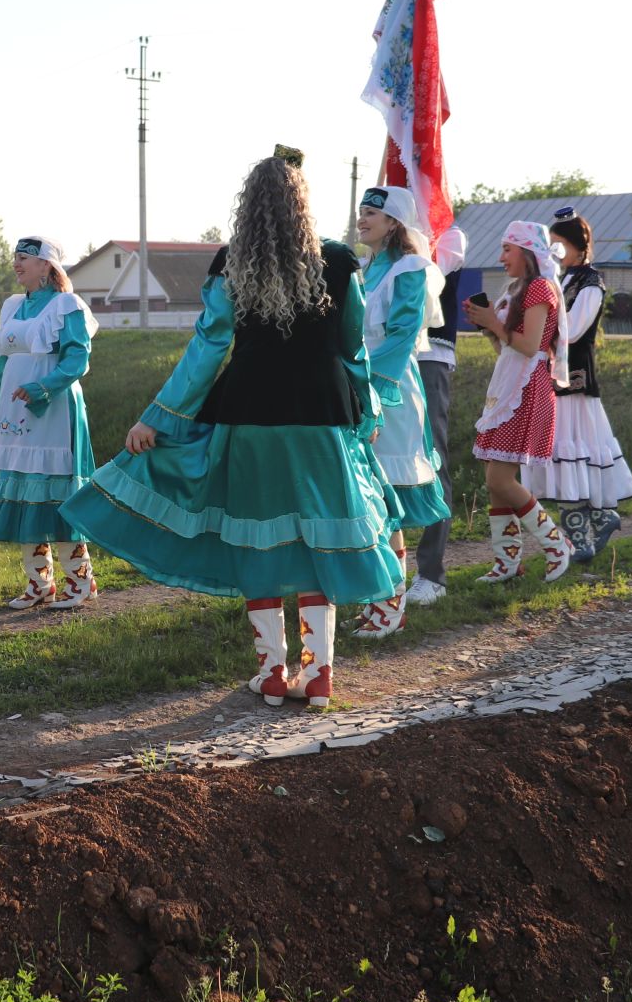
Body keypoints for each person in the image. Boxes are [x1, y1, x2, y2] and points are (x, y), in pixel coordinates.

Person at [61, 152, 402, 708]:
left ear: (250, 208)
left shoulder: (232, 263)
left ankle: (271, 674)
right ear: (303, 205)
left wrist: (157, 417)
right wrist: (368, 413)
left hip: (248, 418)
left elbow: (209, 347)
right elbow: (352, 348)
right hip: (321, 418)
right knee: (322, 543)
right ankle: (317, 677)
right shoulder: (338, 264)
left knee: (258, 541)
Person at [0, 237, 101, 609]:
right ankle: (40, 583)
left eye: (25, 258)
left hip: (55, 411)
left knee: (55, 493)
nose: (17, 264)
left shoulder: (67, 305)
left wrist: (41, 387)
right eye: (15, 258)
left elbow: (76, 360)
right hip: (15, 412)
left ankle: (81, 581)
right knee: (24, 495)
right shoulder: (13, 308)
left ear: (47, 266)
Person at [348, 185, 449, 638]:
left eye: (371, 213)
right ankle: (380, 601)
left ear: (394, 223)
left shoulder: (411, 268)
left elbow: (404, 333)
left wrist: (372, 392)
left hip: (388, 391)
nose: (362, 218)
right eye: (361, 212)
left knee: (386, 497)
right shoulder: (363, 270)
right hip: (356, 386)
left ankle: (392, 607)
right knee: (369, 497)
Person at [523, 209, 632, 561]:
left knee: (573, 452)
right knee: (563, 456)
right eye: (551, 246)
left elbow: (570, 330)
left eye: (559, 245)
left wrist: (537, 321)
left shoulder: (590, 282)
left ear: (577, 247)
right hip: (553, 377)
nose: (554, 252)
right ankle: (594, 525)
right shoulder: (560, 280)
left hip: (574, 379)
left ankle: (584, 536)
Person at [464, 221, 573, 583]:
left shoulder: (541, 288)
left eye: (507, 249)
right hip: (509, 384)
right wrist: (489, 327)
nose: (501, 257)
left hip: (527, 389)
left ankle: (556, 542)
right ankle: (507, 562)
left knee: (500, 477)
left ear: (526, 253)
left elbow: (531, 346)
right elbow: (507, 346)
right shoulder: (517, 289)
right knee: (494, 479)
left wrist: (494, 324)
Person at [405, 220, 466, 605]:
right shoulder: (385, 245)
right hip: (386, 359)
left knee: (432, 459)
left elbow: (429, 278)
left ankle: (432, 574)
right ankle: (386, 575)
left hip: (429, 358)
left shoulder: (449, 238)